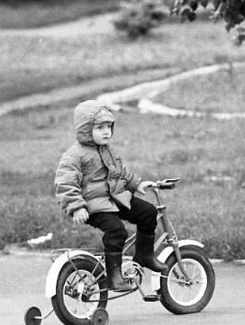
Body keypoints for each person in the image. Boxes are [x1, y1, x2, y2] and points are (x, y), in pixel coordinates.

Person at [55, 100, 168, 291]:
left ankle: (144, 255)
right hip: (93, 204)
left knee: (148, 212)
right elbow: (65, 183)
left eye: (109, 126)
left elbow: (120, 173)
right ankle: (114, 276)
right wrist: (77, 207)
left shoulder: (109, 150)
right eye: (100, 127)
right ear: (85, 129)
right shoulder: (74, 155)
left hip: (115, 198)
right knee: (116, 231)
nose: (106, 131)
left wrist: (137, 183)